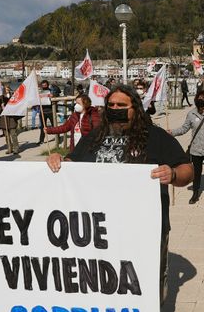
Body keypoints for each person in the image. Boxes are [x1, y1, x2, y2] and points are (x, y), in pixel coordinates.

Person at [46, 85, 193, 300]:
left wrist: (173, 174)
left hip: (145, 231)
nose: (115, 109)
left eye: (121, 105)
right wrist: (57, 159)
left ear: (135, 108)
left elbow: (187, 170)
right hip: (99, 233)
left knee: (146, 290)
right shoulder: (94, 136)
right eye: (111, 105)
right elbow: (71, 163)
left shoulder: (156, 137)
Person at [169, 90, 204, 204]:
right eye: (199, 98)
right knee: (196, 173)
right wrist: (172, 132)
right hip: (196, 149)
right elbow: (184, 128)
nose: (201, 100)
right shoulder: (191, 114)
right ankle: (195, 193)